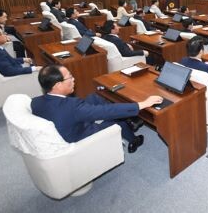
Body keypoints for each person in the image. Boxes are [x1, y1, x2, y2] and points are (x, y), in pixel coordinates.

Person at [31, 64, 162, 153]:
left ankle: (130, 120)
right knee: (115, 117)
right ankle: (133, 139)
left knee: (93, 97)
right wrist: (141, 104)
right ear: (58, 85)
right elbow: (106, 112)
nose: (74, 79)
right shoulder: (72, 106)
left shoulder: (35, 102)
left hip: (69, 123)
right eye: (70, 77)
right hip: (82, 136)